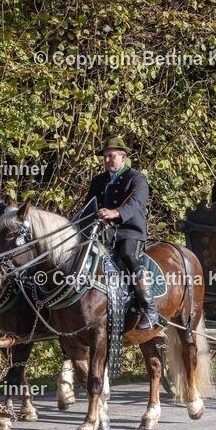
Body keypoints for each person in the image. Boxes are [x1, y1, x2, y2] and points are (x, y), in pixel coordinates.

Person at [85, 137, 158, 330]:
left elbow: (136, 204)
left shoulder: (137, 179)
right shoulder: (98, 181)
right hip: (102, 232)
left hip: (129, 232)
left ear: (123, 157)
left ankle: (149, 309)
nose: (108, 160)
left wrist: (115, 213)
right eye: (105, 157)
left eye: (112, 156)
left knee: (128, 255)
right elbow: (89, 206)